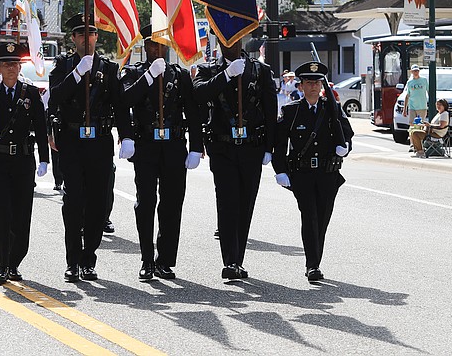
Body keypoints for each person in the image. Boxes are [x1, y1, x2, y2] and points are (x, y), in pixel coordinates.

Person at [48, 13, 131, 283]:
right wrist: (77, 74)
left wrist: (127, 135)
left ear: (97, 37)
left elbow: (119, 103)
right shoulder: (63, 65)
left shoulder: (108, 68)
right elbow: (55, 97)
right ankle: (72, 261)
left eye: (91, 33)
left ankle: (89, 258)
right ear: (73, 38)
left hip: (99, 141)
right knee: (73, 202)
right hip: (71, 141)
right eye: (81, 34)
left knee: (98, 202)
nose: (87, 38)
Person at [120, 26, 203, 281]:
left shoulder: (179, 75)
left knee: (172, 204)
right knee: (145, 203)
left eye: (160, 45)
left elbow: (193, 112)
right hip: (145, 145)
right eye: (151, 45)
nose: (156, 50)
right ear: (145, 47)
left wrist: (196, 147)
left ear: (167, 47)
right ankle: (146, 258)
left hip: (174, 145)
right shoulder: (133, 73)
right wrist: (147, 78)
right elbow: (123, 101)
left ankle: (165, 260)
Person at [193, 39, 277, 281]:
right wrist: (227, 75)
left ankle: (237, 258)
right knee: (228, 202)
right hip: (222, 147)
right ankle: (230, 261)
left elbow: (270, 109)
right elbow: (199, 94)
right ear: (220, 41)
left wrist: (270, 147)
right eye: (225, 38)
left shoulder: (260, 70)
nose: (231, 42)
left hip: (252, 146)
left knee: (245, 203)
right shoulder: (209, 70)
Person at [0, 42, 49, 284]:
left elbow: (40, 126)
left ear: (20, 67)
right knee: (2, 213)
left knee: (21, 214)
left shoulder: (29, 93)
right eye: (6, 64)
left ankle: (16, 260)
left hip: (22, 160)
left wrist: (45, 159)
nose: (10, 68)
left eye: (14, 64)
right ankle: (3, 264)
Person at [273, 61, 349, 283]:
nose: (313, 86)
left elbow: (347, 133)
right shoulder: (291, 111)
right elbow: (280, 143)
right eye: (309, 82)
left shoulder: (332, 108)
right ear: (301, 86)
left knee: (323, 218)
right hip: (303, 174)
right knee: (310, 217)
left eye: (317, 82)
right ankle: (312, 265)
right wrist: (280, 170)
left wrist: (344, 147)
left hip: (328, 173)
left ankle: (315, 259)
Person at [403, 65, 429, 151]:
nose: (416, 72)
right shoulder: (410, 82)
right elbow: (407, 95)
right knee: (412, 125)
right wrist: (404, 109)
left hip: (422, 106)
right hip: (412, 106)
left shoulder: (424, 80)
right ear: (411, 72)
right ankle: (412, 143)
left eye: (417, 71)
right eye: (414, 71)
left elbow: (428, 91)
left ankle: (419, 143)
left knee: (420, 125)